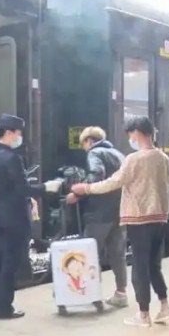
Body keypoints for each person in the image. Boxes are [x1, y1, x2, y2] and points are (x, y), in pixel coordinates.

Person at [71, 116, 169, 327]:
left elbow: (113, 182)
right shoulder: (163, 157)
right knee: (154, 266)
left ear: (137, 133)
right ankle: (164, 307)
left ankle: (143, 315)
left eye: (130, 135)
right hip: (160, 219)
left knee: (140, 268)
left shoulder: (134, 159)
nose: (130, 139)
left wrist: (86, 188)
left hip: (139, 219)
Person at [0, 114, 61, 320]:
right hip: (14, 216)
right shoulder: (12, 158)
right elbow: (22, 189)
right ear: (9, 133)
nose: (19, 137)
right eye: (18, 133)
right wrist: (46, 188)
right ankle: (4, 308)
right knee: (10, 262)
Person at [66, 126, 128, 307]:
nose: (84, 148)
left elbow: (96, 175)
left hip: (99, 213)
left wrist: (77, 193)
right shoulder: (119, 154)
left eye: (83, 144)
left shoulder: (95, 153)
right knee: (118, 254)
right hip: (119, 212)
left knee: (88, 254)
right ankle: (121, 294)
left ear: (89, 141)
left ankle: (91, 295)